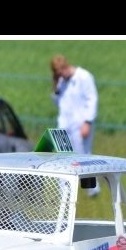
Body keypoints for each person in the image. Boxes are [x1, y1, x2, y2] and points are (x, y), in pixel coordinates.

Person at [50, 54, 99, 196]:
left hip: (80, 124)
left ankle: (92, 190)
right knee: (62, 158)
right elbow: (57, 101)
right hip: (63, 124)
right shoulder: (61, 81)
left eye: (60, 72)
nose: (61, 76)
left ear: (65, 66)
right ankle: (64, 193)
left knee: (84, 156)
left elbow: (92, 99)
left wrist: (88, 122)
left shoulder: (84, 76)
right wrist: (55, 85)